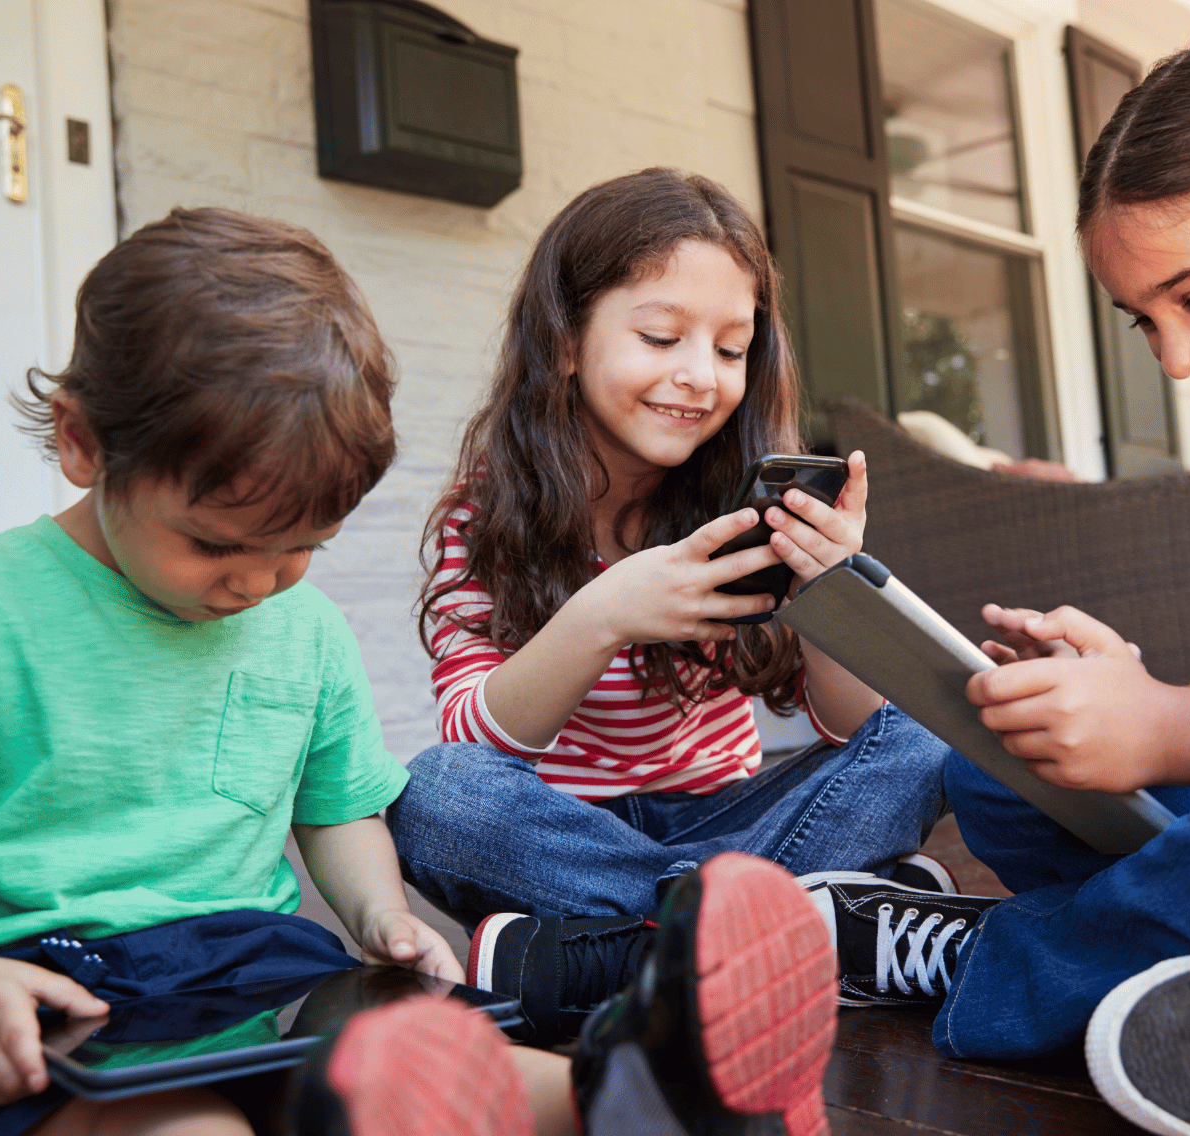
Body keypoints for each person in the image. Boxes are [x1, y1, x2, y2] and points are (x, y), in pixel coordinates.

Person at [809, 24, 1190, 1136]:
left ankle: (1007, 960)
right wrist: (1113, 697)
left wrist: (1162, 723)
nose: (1176, 358)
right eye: (1145, 322)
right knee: (1003, 769)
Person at [385, 168, 953, 1043]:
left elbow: (850, 729)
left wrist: (832, 592)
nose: (699, 377)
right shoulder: (487, 511)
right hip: (563, 836)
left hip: (729, 808)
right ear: (566, 341)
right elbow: (474, 735)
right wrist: (603, 611)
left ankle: (624, 951)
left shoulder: (740, 500)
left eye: (731, 350)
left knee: (918, 734)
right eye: (660, 337)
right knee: (434, 795)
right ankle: (799, 923)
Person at [0, 207, 464, 1136]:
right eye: (216, 544)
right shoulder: (6, 610)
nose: (257, 583)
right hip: (57, 1004)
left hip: (251, 983)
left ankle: (629, 1085)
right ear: (84, 444)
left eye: (302, 548)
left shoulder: (306, 627)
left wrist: (380, 918)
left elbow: (337, 811)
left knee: (448, 1080)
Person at [290, 852, 840, 1136]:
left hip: (277, 957)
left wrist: (379, 911)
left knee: (397, 1064)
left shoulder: (307, 638)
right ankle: (641, 1097)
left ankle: (649, 1092)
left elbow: (337, 807)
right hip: (209, 1009)